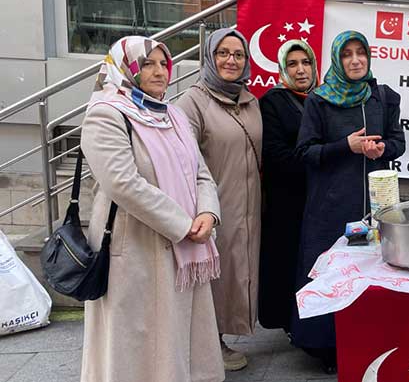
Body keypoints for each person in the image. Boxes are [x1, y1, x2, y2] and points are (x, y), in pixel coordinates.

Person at [80, 36, 223, 382]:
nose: (160, 72)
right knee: (135, 343)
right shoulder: (106, 113)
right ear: (126, 68)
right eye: (147, 64)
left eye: (163, 64)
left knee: (176, 338)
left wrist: (208, 213)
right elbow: (122, 183)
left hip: (183, 246)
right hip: (135, 249)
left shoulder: (172, 114)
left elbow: (200, 172)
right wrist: (183, 224)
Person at [291, 30, 406, 373]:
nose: (355, 60)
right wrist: (347, 146)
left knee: (372, 276)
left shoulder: (383, 97)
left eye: (361, 53)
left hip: (375, 207)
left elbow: (398, 142)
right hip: (331, 207)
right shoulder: (319, 100)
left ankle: (370, 342)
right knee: (331, 276)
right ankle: (326, 349)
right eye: (347, 54)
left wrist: (382, 149)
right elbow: (304, 153)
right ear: (337, 60)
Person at [176, 28, 262, 372]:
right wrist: (202, 207)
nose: (231, 60)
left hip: (249, 208)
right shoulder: (192, 102)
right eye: (223, 53)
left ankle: (218, 338)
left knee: (235, 274)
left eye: (238, 54)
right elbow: (183, 161)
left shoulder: (250, 101)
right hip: (212, 209)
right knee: (212, 275)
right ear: (209, 57)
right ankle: (205, 345)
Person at [258, 39, 318, 332]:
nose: (300, 70)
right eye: (292, 64)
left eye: (306, 62)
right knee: (287, 263)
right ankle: (290, 325)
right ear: (282, 69)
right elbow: (275, 155)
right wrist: (321, 159)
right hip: (287, 202)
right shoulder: (273, 102)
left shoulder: (322, 99)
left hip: (317, 200)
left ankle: (311, 323)